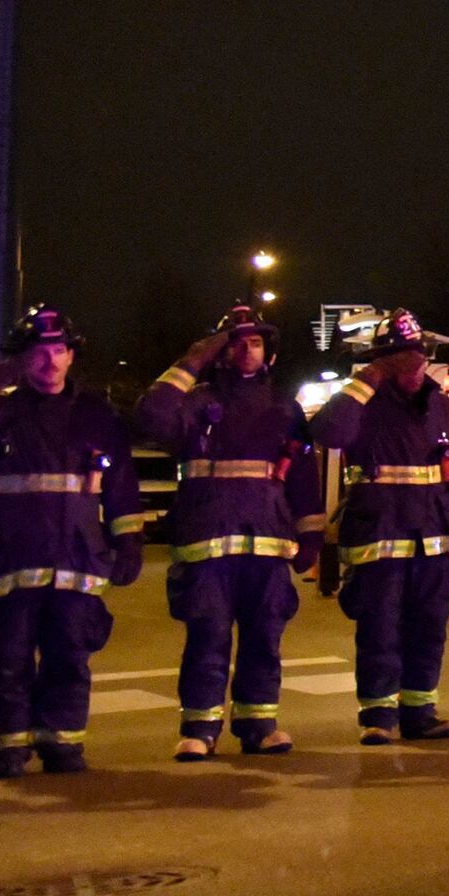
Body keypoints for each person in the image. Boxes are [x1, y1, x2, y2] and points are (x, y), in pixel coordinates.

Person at [135, 304, 323, 759]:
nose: (246, 350)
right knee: (208, 637)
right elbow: (150, 419)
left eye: (255, 342)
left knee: (265, 638)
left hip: (268, 541)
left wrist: (311, 534)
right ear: (220, 351)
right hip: (206, 542)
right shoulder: (194, 403)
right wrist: (194, 358)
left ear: (269, 352)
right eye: (236, 342)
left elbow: (302, 474)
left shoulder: (285, 407)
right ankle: (199, 729)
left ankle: (259, 724)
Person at [0, 306, 147, 776]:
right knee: (7, 661)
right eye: (38, 352)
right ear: (19, 360)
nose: (49, 361)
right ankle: (7, 749)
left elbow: (122, 484)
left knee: (70, 658)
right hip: (8, 559)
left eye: (58, 350)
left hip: (77, 559)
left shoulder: (96, 415)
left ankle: (63, 745)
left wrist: (128, 539)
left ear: (72, 356)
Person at [310, 309, 449, 743]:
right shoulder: (363, 404)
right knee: (379, 629)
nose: (415, 363)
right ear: (383, 361)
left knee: (429, 629)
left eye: (419, 354)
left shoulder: (440, 406)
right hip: (379, 536)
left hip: (433, 539)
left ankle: (419, 712)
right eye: (403, 356)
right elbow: (328, 431)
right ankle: (378, 717)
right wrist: (369, 379)